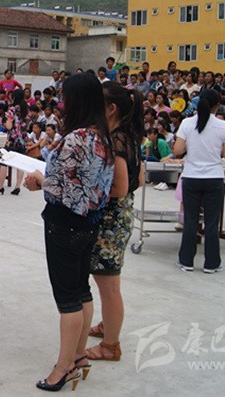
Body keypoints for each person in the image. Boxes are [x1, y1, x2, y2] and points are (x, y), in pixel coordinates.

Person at [23, 73, 115, 392]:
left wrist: (39, 181)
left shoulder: (75, 139)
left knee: (67, 300)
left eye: (66, 98)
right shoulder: (105, 137)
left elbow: (68, 191)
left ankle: (63, 367)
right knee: (81, 290)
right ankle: (79, 356)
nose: (63, 103)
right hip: (90, 223)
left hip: (65, 224)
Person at [86, 83, 144, 362]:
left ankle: (111, 345)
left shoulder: (116, 141)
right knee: (107, 282)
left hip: (111, 220)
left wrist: (87, 189)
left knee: (108, 286)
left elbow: (119, 187)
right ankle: (107, 326)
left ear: (111, 109)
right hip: (120, 215)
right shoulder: (129, 136)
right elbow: (139, 180)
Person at [172, 89, 225, 274]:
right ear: (217, 106)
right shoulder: (223, 126)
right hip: (214, 177)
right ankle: (212, 263)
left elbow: (177, 150)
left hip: (191, 176)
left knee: (190, 220)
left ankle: (186, 260)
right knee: (212, 222)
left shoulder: (187, 123)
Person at [0, 89, 29, 195]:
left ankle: (0, 186)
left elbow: (9, 126)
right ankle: (17, 186)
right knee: (20, 163)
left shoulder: (12, 109)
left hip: (12, 139)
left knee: (3, 161)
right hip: (23, 139)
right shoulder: (26, 109)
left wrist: (4, 123)